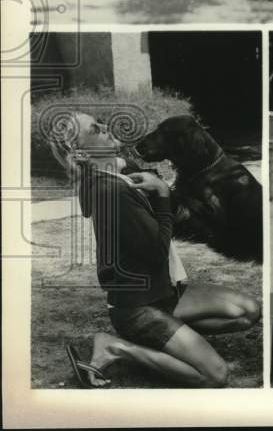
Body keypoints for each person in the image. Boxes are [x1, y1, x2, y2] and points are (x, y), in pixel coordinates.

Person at [52, 112, 261, 388]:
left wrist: (119, 160)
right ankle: (116, 347)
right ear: (81, 152)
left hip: (163, 292)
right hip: (138, 309)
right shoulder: (112, 192)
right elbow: (156, 252)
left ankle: (173, 336)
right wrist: (162, 194)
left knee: (247, 311)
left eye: (100, 122)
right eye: (95, 129)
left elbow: (126, 166)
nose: (105, 127)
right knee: (215, 374)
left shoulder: (112, 174)